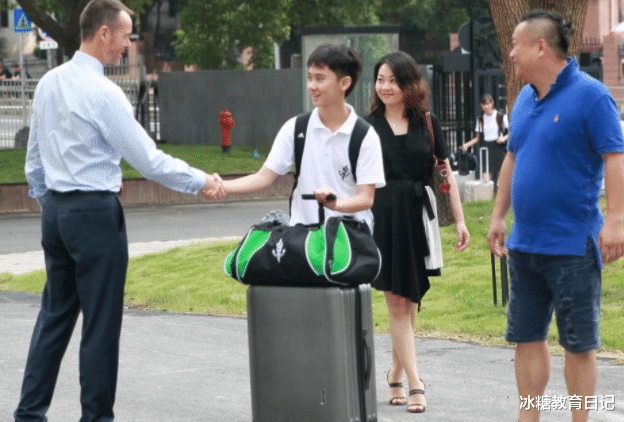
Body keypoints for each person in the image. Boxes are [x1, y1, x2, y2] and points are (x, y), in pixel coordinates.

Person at [16, 1, 224, 421]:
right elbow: (148, 160)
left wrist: (52, 203)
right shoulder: (104, 93)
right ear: (104, 33)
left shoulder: (50, 83)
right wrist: (201, 180)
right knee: (101, 326)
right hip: (93, 216)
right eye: (126, 35)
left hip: (56, 212)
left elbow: (33, 161)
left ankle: (29, 414)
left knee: (53, 318)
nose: (128, 45)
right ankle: (96, 418)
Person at [487, 10, 624, 422]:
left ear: (540, 47)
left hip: (571, 244)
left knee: (579, 343)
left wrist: (616, 219)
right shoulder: (526, 97)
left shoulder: (591, 95)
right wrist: (497, 216)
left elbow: (615, 157)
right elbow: (513, 157)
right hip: (525, 244)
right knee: (526, 338)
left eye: (515, 44)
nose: (510, 53)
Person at [365, 51, 470, 413]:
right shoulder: (366, 127)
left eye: (393, 80)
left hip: (416, 216)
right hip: (382, 216)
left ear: (409, 84)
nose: (385, 87)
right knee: (396, 300)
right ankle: (415, 382)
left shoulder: (428, 123)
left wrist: (459, 220)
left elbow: (445, 172)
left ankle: (395, 370)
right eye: (380, 79)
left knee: (408, 301)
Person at [222, 43, 385, 230]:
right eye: (310, 78)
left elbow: (366, 198)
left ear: (345, 83)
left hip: (350, 244)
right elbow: (264, 177)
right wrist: (222, 186)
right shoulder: (295, 128)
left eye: (320, 78)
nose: (311, 86)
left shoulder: (364, 135)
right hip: (303, 241)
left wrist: (335, 204)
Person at [460, 93, 509, 184]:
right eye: (484, 104)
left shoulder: (501, 117)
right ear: (481, 105)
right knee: (486, 174)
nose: (486, 106)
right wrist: (467, 145)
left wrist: (504, 138)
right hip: (486, 147)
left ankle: (500, 195)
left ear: (492, 103)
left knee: (501, 174)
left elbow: (512, 132)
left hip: (498, 147)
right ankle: (487, 195)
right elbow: (478, 138)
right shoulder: (480, 119)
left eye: (488, 103)